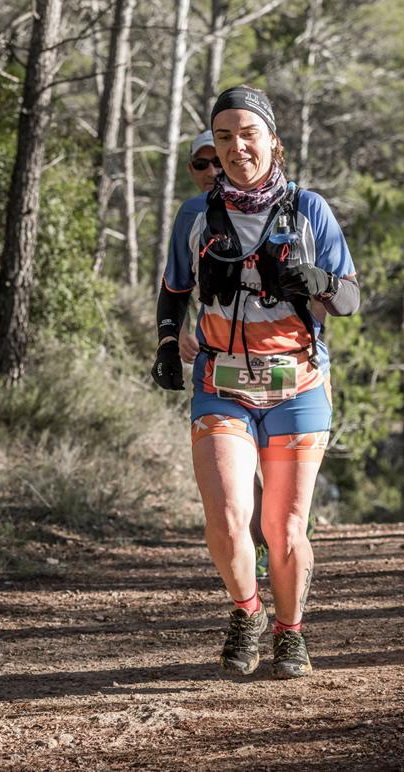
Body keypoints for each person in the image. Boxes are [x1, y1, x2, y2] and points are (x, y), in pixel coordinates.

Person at [151, 85, 359, 679]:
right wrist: (168, 344)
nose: (237, 147)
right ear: (213, 148)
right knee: (226, 518)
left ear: (274, 142)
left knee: (284, 529)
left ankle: (289, 632)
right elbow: (174, 289)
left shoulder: (309, 210)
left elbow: (348, 297)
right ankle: (247, 612)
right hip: (222, 383)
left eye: (248, 134)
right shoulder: (196, 215)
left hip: (298, 385)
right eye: (223, 137)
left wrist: (312, 276)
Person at [177, 131, 274, 581]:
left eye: (219, 161)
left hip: (284, 369)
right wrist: (173, 333)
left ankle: (282, 538)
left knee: (273, 481)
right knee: (236, 478)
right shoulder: (193, 214)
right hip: (219, 368)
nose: (213, 170)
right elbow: (176, 286)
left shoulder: (279, 204)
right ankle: (252, 564)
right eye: (201, 164)